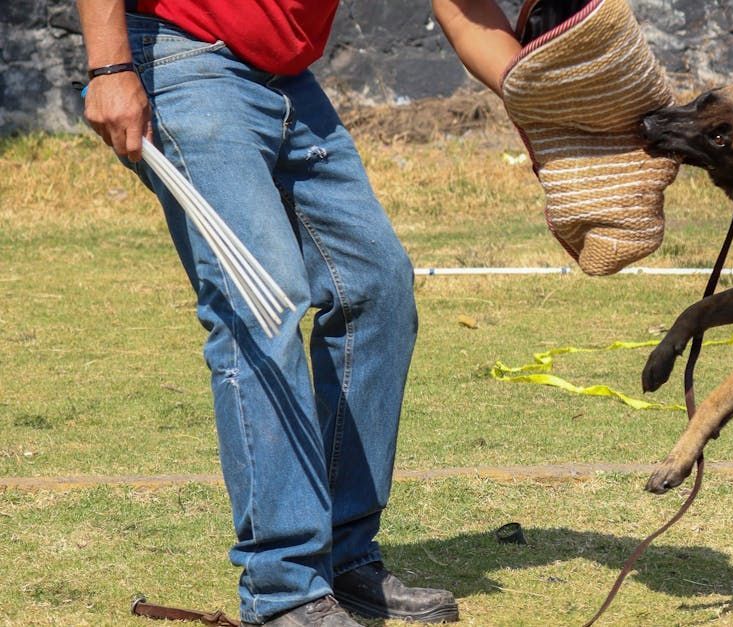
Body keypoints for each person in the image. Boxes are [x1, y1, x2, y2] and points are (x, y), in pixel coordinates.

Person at [74, 0, 517, 624]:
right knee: (260, 300)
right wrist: (108, 66)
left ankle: (345, 555)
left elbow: (467, 10)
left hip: (287, 78)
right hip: (181, 54)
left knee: (377, 285)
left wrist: (545, 100)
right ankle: (285, 587)